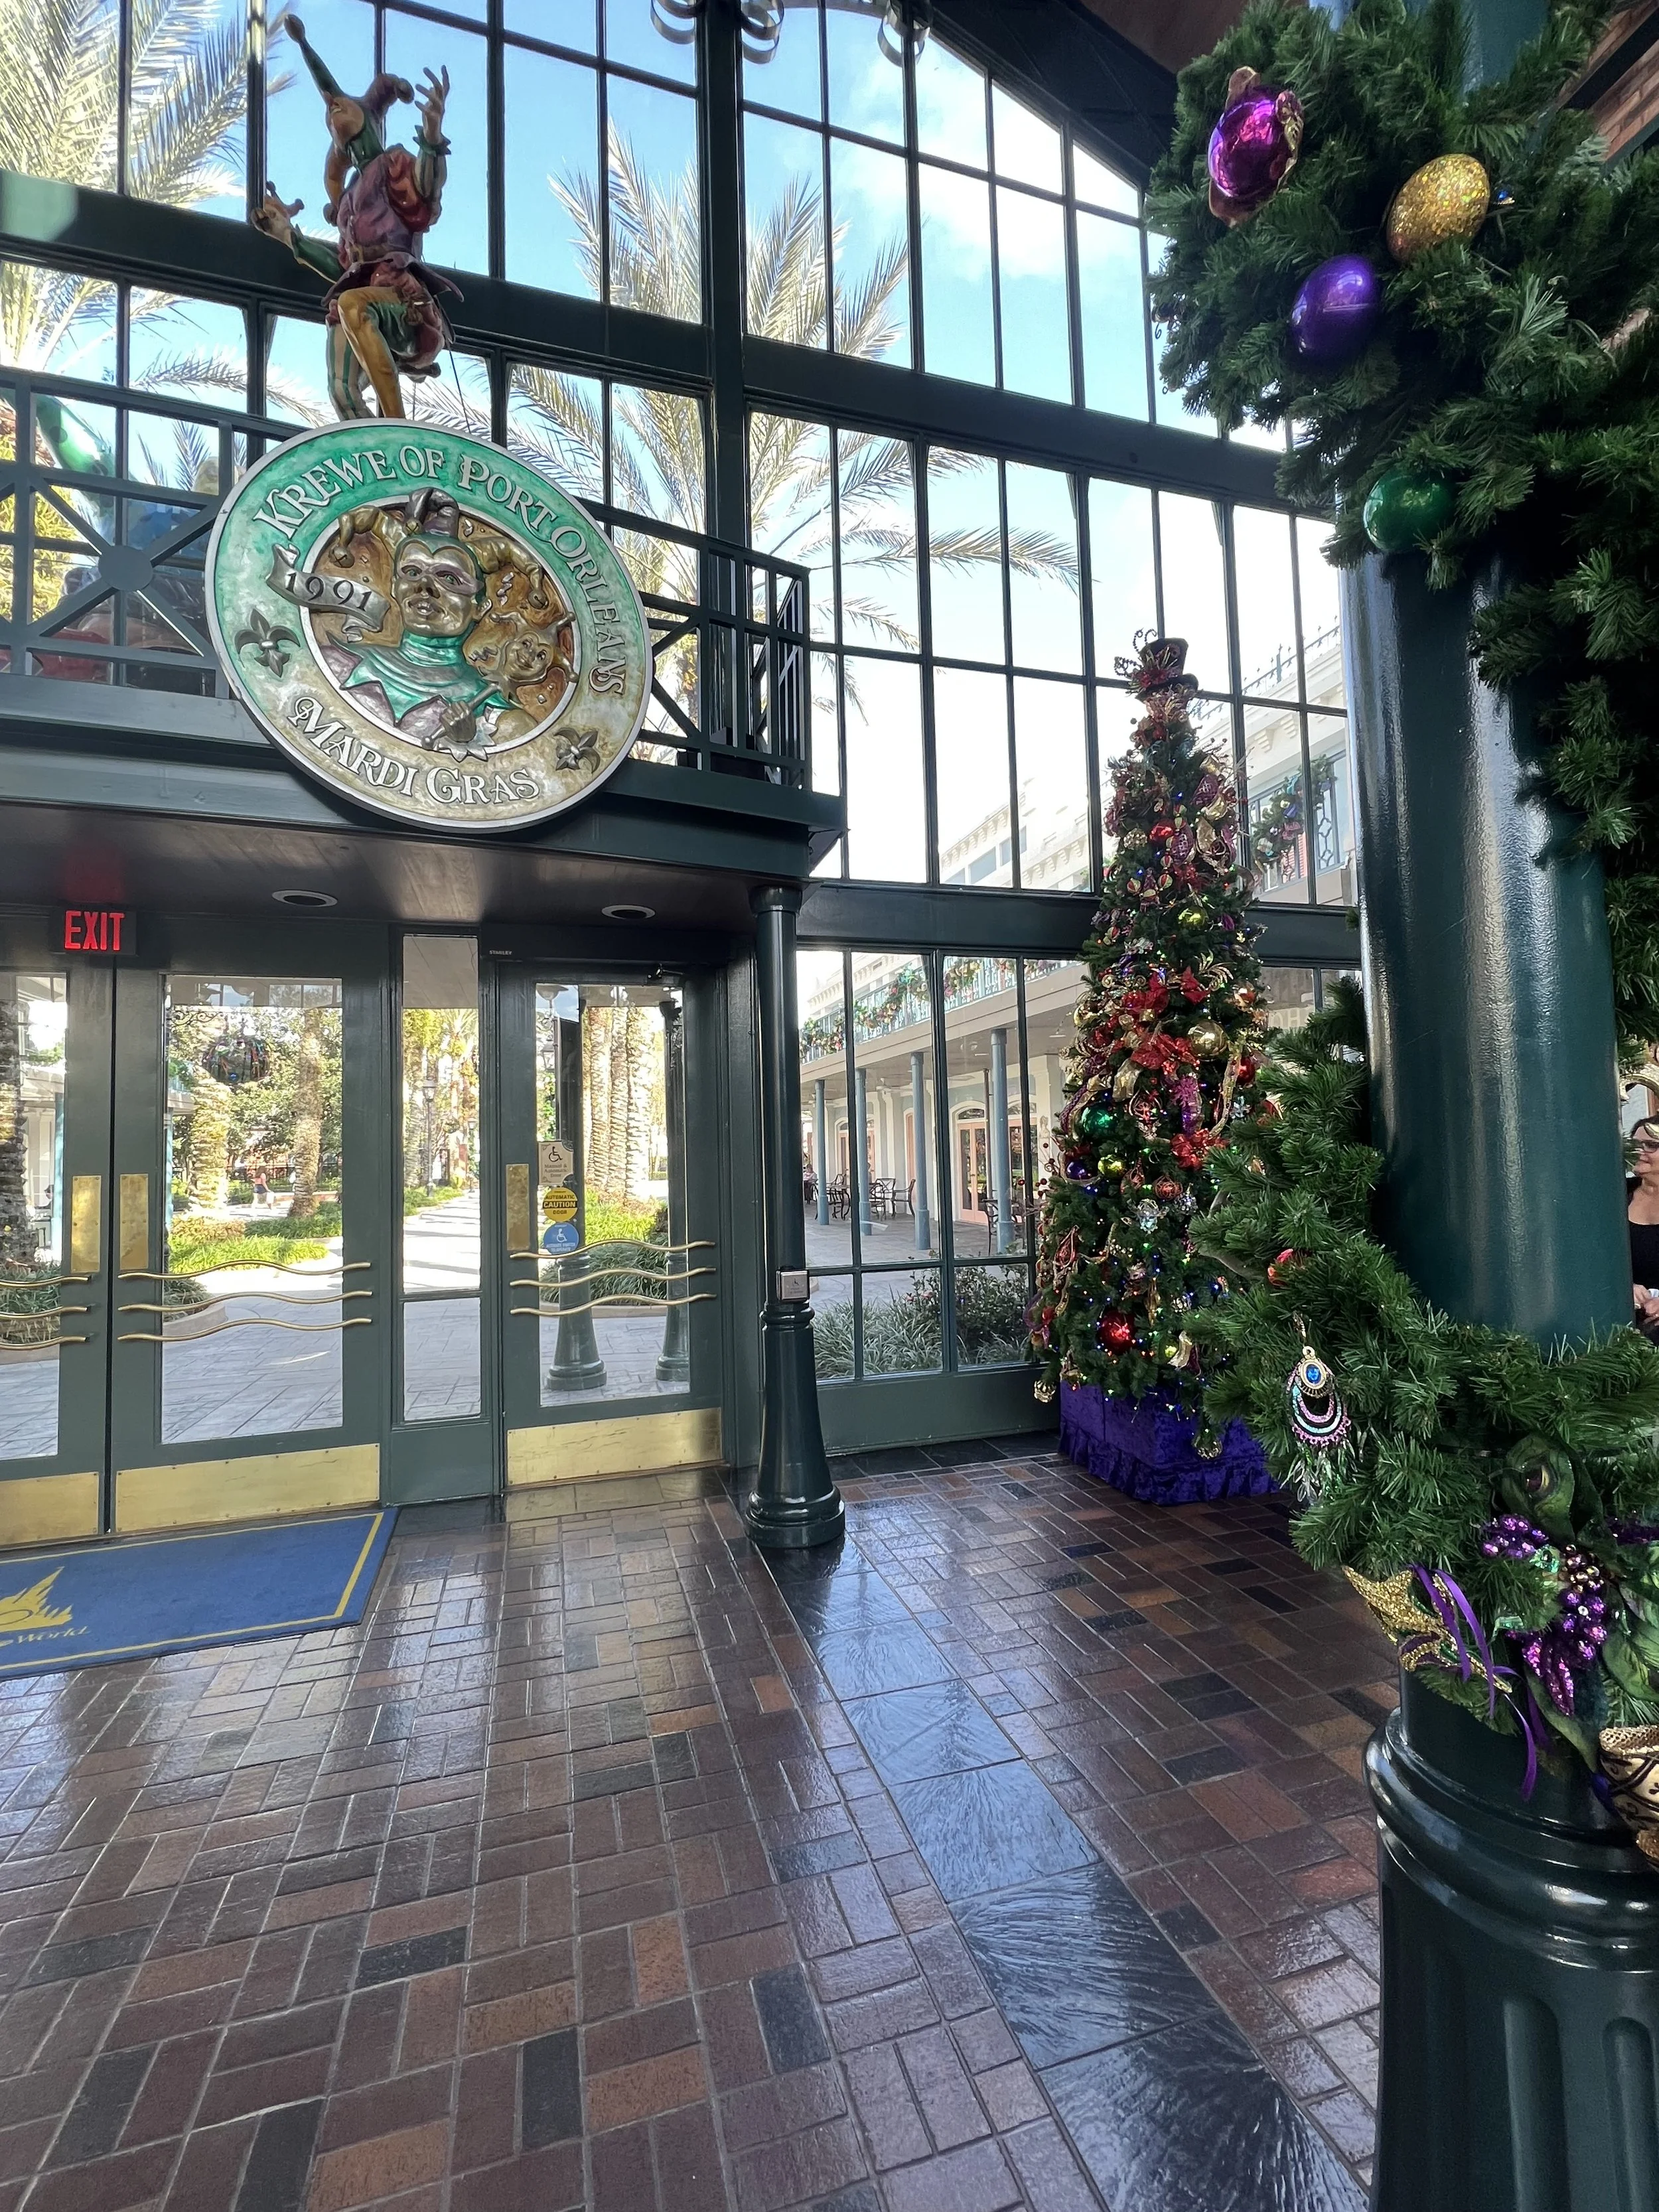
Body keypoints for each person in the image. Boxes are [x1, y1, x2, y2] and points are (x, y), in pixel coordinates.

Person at [1628, 1117, 1659, 1341]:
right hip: (1622, 1321)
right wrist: (1623, 1288)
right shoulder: (1613, 1193)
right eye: (1635, 1144)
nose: (1640, 1151)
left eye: (1652, 1145)